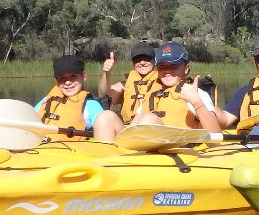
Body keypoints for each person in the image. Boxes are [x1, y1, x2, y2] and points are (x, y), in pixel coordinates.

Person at [94, 41, 222, 141]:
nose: (167, 71)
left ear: (186, 68)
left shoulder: (197, 94)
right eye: (162, 67)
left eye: (173, 66)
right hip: (143, 143)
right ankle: (108, 161)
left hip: (177, 147)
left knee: (149, 119)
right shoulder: (151, 92)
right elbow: (135, 120)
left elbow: (216, 135)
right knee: (105, 117)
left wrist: (197, 103)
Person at [34, 55, 105, 140]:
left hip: (75, 151)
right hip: (44, 149)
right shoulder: (46, 101)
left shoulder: (92, 105)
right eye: (62, 78)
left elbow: (104, 128)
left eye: (73, 76)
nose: (67, 82)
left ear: (84, 77)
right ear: (56, 81)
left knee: (108, 116)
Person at [97, 41, 158, 125]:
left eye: (146, 58)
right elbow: (102, 94)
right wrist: (107, 73)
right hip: (129, 127)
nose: (142, 63)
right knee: (105, 116)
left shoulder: (163, 81)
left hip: (153, 128)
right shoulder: (125, 85)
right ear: (133, 63)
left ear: (154, 61)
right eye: (138, 59)